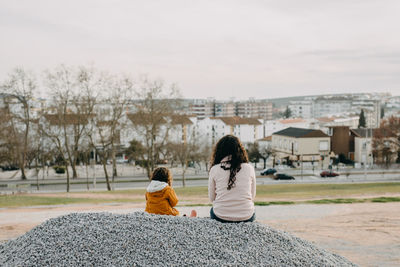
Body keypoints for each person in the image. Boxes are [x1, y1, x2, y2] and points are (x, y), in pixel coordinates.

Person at [208, 135, 256, 223]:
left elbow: (212, 198)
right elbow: (252, 196)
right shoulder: (249, 168)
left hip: (220, 215)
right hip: (247, 215)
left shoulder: (214, 169)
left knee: (212, 210)